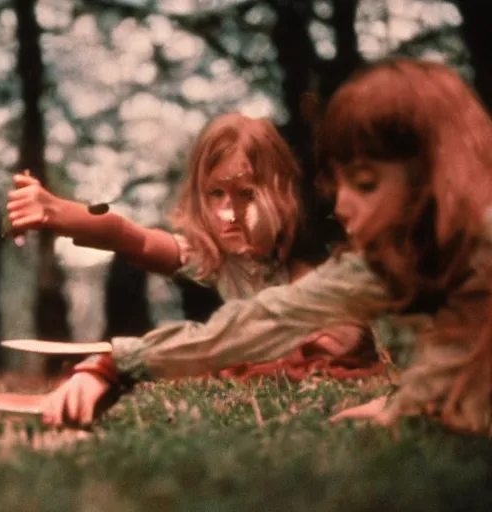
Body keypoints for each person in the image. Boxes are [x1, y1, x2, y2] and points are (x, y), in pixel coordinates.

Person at [35, 58, 492, 437]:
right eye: (340, 183)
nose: (343, 206)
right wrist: (113, 365)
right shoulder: (373, 269)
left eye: (366, 184)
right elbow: (258, 322)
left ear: (436, 180)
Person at [7, 113, 378, 383]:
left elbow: (342, 337)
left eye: (246, 195)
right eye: (215, 194)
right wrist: (58, 212)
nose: (228, 212)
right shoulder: (214, 258)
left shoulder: (314, 258)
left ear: (281, 194)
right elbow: (132, 237)